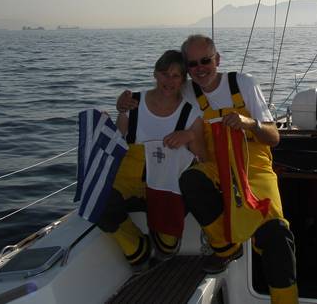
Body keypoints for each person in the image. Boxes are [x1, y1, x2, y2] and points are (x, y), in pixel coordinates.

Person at [179, 34, 298, 303]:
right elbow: (157, 98)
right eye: (192, 64)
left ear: (217, 59)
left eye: (206, 60)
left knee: (277, 235)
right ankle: (225, 247)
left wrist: (250, 124)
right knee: (191, 181)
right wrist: (127, 105)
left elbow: (274, 138)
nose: (200, 68)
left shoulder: (244, 84)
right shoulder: (187, 93)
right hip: (216, 166)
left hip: (254, 167)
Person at [98, 49, 205, 273]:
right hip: (131, 178)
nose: (169, 81)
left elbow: (201, 157)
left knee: (168, 247)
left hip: (167, 184)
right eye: (165, 74)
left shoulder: (191, 113)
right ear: (155, 74)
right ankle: (138, 247)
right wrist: (109, 119)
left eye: (176, 76)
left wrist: (190, 136)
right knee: (98, 199)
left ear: (183, 80)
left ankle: (160, 237)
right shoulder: (133, 103)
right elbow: (118, 139)